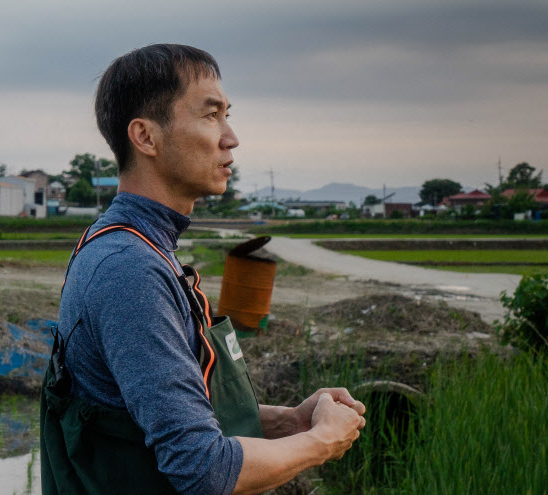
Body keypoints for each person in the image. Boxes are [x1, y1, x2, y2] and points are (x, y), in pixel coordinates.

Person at [40, 44, 366, 495]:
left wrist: (290, 421)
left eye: (228, 115)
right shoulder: (128, 270)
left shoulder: (147, 250)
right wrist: (321, 441)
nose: (230, 138)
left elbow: (171, 418)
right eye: (211, 116)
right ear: (146, 137)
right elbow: (203, 468)